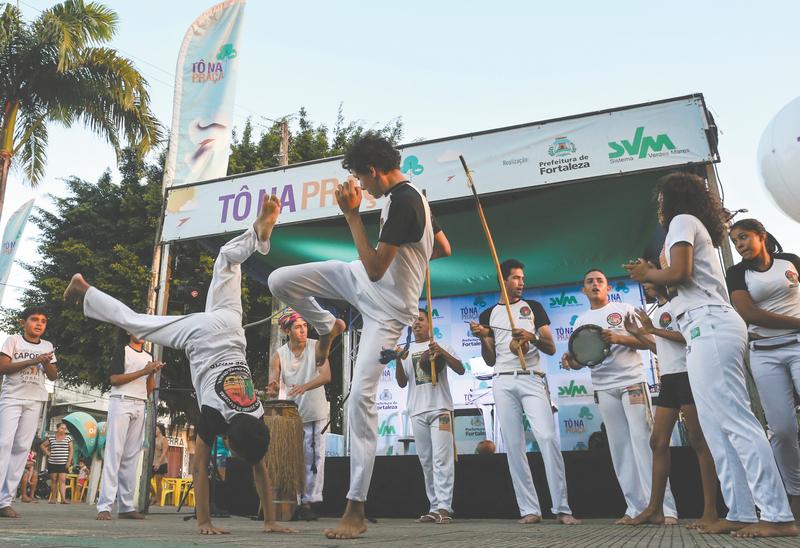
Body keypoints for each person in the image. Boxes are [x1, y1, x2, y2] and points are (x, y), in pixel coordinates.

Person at [63, 194, 294, 536]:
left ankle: (256, 236)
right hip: (201, 337)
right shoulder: (216, 417)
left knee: (226, 263)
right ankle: (84, 289)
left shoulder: (257, 415)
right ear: (230, 441)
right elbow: (200, 468)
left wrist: (273, 522)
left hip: (230, 325)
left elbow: (259, 466)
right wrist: (205, 522)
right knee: (139, 323)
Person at [267, 133, 450, 539]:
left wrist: (351, 215)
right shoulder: (411, 199)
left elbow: (374, 269)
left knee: (360, 404)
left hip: (386, 314)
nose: (361, 189)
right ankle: (329, 325)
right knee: (279, 280)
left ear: (373, 171)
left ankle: (356, 509)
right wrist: (413, 260)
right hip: (359, 281)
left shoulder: (404, 201)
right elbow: (443, 247)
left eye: (361, 181)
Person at [624, 172, 797, 538]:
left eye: (660, 201)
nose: (658, 208)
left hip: (712, 325)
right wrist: (656, 275)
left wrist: (649, 272)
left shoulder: (682, 221)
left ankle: (778, 515)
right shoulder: (688, 224)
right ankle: (740, 511)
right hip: (699, 329)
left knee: (736, 421)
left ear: (671, 199)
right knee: (717, 428)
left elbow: (681, 273)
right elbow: (681, 277)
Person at [562, 269, 678, 525]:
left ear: (608, 287)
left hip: (631, 382)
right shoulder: (580, 320)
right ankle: (635, 507)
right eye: (589, 281)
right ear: (583, 290)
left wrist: (618, 337)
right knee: (620, 448)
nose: (595, 284)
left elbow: (648, 342)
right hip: (604, 388)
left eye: (599, 281)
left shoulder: (625, 308)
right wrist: (572, 362)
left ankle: (663, 508)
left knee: (645, 442)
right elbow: (584, 359)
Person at [470, 259, 578, 525]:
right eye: (516, 278)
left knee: (547, 437)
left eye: (522, 278)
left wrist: (531, 338)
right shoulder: (488, 315)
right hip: (503, 380)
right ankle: (529, 509)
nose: (521, 283)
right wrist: (483, 337)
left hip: (532, 378)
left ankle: (562, 508)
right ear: (502, 279)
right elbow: (490, 360)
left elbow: (550, 347)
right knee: (514, 445)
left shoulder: (534, 308)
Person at [623, 282, 718, 528]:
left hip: (688, 374)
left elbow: (688, 336)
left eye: (649, 280)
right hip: (669, 377)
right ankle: (654, 509)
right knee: (658, 441)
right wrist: (637, 333)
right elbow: (661, 348)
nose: (646, 286)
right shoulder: (658, 309)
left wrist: (652, 329)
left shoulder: (680, 303)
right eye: (643, 283)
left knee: (698, 440)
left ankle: (710, 511)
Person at [726, 218, 800, 520]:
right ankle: (795, 496)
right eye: (735, 241)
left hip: (799, 346)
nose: (740, 245)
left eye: (744, 237)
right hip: (764, 353)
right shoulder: (736, 273)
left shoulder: (791, 261)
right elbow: (748, 313)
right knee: (782, 431)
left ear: (762, 236)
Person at [395, 308, 465, 524]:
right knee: (426, 461)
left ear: (430, 323)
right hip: (417, 410)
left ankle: (445, 507)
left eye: (421, 319)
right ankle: (434, 507)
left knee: (442, 459)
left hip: (441, 409)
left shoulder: (440, 344)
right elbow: (401, 382)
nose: (416, 323)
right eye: (414, 320)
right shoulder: (407, 350)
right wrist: (397, 360)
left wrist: (441, 353)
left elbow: (461, 369)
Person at [266, 309, 332, 522]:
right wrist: (273, 387)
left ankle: (309, 502)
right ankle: (292, 501)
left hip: (315, 412)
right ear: (287, 330)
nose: (303, 329)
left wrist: (304, 387)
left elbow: (326, 375)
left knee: (314, 458)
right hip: (292, 416)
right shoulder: (279, 355)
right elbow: (273, 383)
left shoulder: (317, 347)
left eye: (305, 325)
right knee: (294, 459)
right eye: (298, 326)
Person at [97, 333, 164, 520]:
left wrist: (151, 372)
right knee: (114, 453)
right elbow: (115, 379)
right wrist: (144, 371)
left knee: (131, 456)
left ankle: (126, 506)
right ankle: (105, 505)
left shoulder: (148, 356)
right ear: (128, 331)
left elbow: (148, 389)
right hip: (121, 401)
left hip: (140, 403)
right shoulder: (122, 350)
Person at [0, 306, 58, 517]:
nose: (39, 323)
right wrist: (33, 360)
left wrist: (46, 362)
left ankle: (5, 501)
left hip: (34, 400)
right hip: (12, 397)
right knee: (3, 443)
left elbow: (53, 376)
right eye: (34, 319)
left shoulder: (48, 346)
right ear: (24, 322)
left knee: (22, 448)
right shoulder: (13, 340)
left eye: (43, 320)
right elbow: (2, 367)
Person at [41, 422, 72, 504]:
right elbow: (43, 445)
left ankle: (63, 499)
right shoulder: (51, 438)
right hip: (52, 462)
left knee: (62, 480)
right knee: (54, 480)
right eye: (62, 428)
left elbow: (71, 450)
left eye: (65, 428)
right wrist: (47, 453)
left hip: (63, 463)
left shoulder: (68, 438)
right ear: (57, 429)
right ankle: (53, 499)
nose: (64, 430)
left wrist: (69, 461)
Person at [150, 424, 169, 506]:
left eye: (156, 429)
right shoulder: (153, 439)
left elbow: (164, 452)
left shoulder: (164, 439)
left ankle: (159, 501)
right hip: (152, 462)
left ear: (160, 430)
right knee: (146, 481)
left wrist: (158, 462)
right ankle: (154, 495)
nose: (155, 430)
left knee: (158, 482)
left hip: (161, 463)